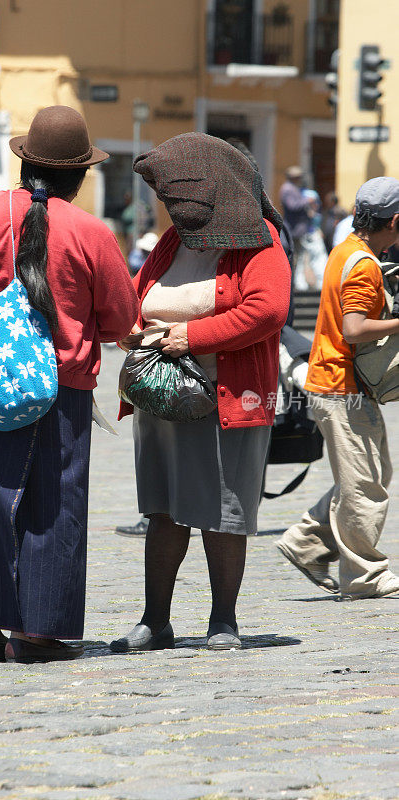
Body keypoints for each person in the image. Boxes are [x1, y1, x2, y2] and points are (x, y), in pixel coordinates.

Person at [0, 106, 138, 663]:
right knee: (55, 503)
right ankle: (39, 633)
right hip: (61, 388)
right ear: (80, 175)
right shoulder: (92, 232)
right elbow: (119, 322)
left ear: (24, 165)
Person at [111, 133, 291, 653]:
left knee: (224, 513)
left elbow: (268, 310)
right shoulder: (173, 241)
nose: (169, 209)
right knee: (163, 510)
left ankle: (224, 620)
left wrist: (191, 335)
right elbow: (139, 290)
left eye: (175, 199)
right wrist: (131, 323)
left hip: (228, 399)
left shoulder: (258, 242)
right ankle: (155, 621)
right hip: (166, 398)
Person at [276, 177, 399, 600]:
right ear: (394, 221)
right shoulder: (363, 263)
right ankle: (364, 575)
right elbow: (355, 328)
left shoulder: (346, 249)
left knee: (370, 475)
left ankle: (307, 543)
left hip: (339, 385)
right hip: (341, 386)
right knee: (364, 485)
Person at [280, 166, 310, 290]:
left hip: (297, 229)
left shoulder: (293, 188)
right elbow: (292, 206)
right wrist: (306, 201)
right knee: (294, 257)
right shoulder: (287, 189)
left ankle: (296, 282)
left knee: (299, 256)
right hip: (293, 229)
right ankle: (292, 283)